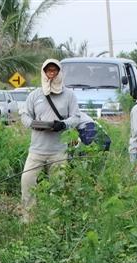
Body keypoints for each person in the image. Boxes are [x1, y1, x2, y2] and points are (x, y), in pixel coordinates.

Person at [20, 59, 82, 216]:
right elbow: (25, 115)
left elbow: (76, 117)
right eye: (49, 71)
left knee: (58, 187)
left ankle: (54, 220)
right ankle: (29, 218)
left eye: (55, 71)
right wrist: (33, 124)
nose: (52, 74)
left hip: (58, 151)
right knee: (27, 181)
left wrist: (62, 125)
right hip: (37, 150)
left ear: (60, 73)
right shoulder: (35, 95)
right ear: (44, 73)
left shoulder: (69, 95)